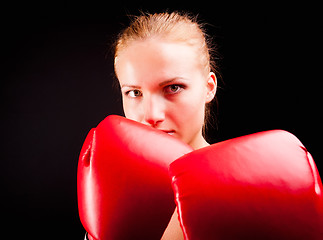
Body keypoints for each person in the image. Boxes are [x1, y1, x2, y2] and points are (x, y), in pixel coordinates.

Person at [112, 11, 219, 240]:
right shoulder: (113, 191)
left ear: (209, 88)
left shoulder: (239, 185)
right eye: (134, 92)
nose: (151, 115)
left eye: (173, 88)